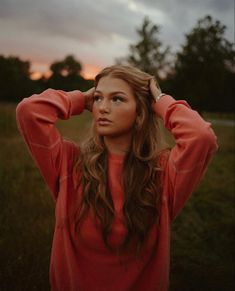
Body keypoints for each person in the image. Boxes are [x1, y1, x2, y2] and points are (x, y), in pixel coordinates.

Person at [16, 65, 218, 291]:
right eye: (99, 98)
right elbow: (28, 112)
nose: (102, 108)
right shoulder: (69, 163)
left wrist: (160, 100)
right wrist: (81, 100)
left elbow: (201, 137)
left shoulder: (162, 174)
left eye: (117, 99)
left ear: (141, 111)